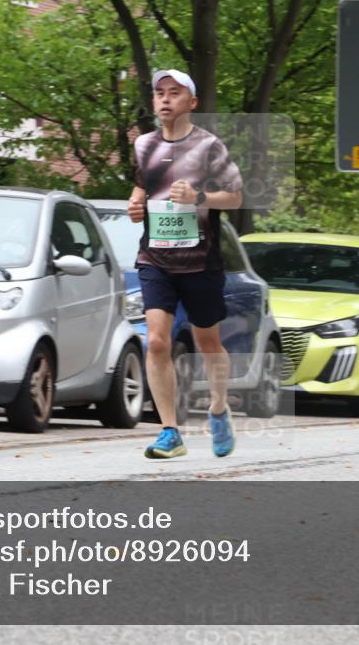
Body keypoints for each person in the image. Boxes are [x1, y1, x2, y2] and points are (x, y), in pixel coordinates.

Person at [128, 69, 243, 458]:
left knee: (207, 342)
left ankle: (218, 409)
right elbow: (142, 186)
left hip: (200, 261)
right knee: (157, 340)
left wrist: (198, 198)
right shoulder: (144, 145)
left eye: (173, 93)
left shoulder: (210, 146)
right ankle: (169, 431)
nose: (164, 99)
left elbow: (235, 197)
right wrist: (135, 203)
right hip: (155, 257)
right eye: (159, 93)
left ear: (191, 103)